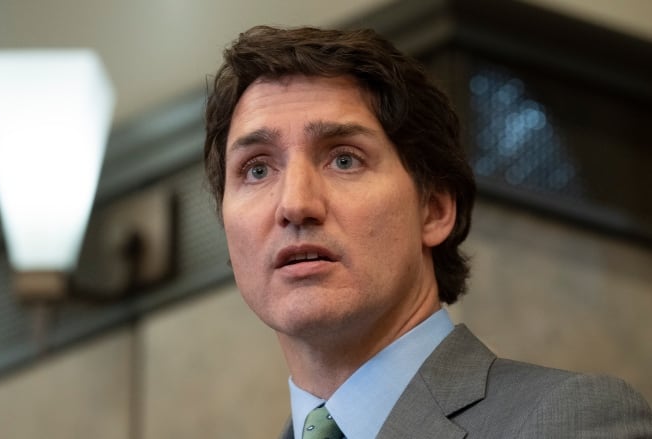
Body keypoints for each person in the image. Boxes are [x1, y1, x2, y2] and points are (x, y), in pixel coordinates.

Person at [203, 25, 652, 438]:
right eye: (257, 169)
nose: (295, 204)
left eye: (344, 159)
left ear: (434, 209)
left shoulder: (571, 419)